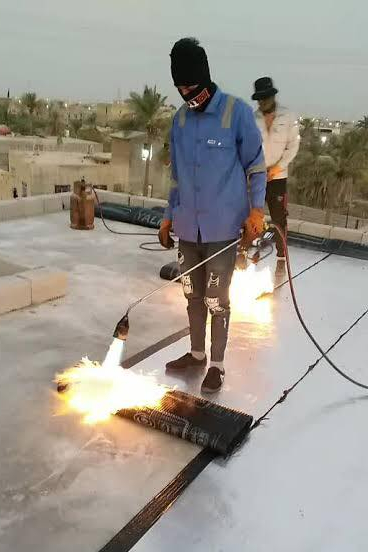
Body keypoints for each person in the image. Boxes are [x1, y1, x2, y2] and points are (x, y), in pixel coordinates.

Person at [159, 38, 266, 393]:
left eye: (190, 87)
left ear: (204, 79)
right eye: (180, 88)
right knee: (192, 294)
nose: (185, 94)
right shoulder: (180, 121)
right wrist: (168, 217)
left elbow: (256, 167)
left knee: (216, 300)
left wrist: (256, 210)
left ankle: (217, 365)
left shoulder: (236, 113)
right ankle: (196, 354)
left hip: (222, 229)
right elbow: (177, 177)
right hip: (188, 228)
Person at [252, 77, 300, 258]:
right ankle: (248, 252)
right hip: (257, 177)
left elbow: (293, 146)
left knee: (279, 218)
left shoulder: (288, 117)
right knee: (253, 215)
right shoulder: (253, 118)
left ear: (272, 96)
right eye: (259, 99)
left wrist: (277, 168)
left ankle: (281, 256)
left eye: (265, 98)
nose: (262, 102)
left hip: (278, 178)